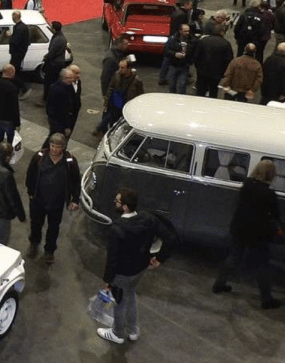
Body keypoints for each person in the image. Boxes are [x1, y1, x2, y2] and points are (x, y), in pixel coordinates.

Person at [97, 187, 178, 344]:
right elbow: (170, 238)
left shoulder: (117, 229)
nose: (115, 202)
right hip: (140, 268)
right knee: (131, 295)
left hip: (122, 273)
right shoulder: (148, 219)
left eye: (117, 201)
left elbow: (113, 259)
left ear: (125, 207)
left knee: (119, 303)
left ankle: (117, 334)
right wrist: (159, 259)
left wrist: (108, 281)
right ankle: (133, 330)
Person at [213, 160, 285, 310]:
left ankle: (219, 284)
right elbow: (275, 214)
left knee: (234, 256)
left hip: (239, 228)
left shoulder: (247, 185)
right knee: (262, 264)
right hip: (257, 233)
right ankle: (266, 299)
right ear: (271, 174)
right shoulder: (269, 193)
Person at [24, 133, 81, 264]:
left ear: (64, 148)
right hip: (38, 200)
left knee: (54, 227)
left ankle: (49, 251)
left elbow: (76, 181)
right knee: (36, 224)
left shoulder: (70, 161)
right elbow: (30, 174)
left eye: (58, 147)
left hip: (57, 203)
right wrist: (30, 193)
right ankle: (34, 244)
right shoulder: (39, 157)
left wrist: (75, 199)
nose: (54, 149)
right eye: (52, 146)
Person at [93, 58, 143, 137]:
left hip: (125, 105)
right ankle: (103, 130)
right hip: (114, 103)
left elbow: (140, 95)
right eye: (119, 67)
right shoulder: (117, 75)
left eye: (122, 68)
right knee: (110, 118)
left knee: (116, 122)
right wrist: (106, 103)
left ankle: (102, 129)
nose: (120, 69)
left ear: (129, 68)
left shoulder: (136, 80)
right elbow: (111, 88)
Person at [0, 65, 21, 145]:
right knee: (10, 141)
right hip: (8, 120)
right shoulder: (12, 87)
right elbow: (14, 107)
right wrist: (17, 123)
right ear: (11, 72)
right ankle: (8, 154)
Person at [8, 10, 32, 97]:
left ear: (15, 17)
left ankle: (23, 87)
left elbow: (15, 42)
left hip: (17, 53)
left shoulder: (19, 28)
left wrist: (10, 38)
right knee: (16, 70)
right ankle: (17, 89)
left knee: (14, 71)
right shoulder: (23, 27)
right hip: (21, 53)